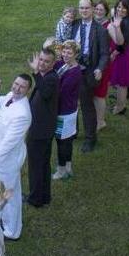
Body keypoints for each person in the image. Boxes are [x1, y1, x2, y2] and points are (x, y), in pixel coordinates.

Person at [0, 72, 32, 240]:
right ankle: (8, 223)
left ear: (28, 91)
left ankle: (12, 231)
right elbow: (1, 104)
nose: (17, 88)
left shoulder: (23, 114)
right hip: (2, 159)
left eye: (22, 87)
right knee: (11, 192)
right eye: (16, 84)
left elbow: (7, 144)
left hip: (7, 162)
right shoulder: (12, 96)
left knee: (7, 196)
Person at [70, 0, 110, 152]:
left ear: (93, 9)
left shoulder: (100, 30)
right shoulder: (74, 25)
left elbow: (105, 54)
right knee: (70, 102)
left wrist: (99, 68)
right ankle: (72, 132)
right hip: (72, 68)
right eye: (81, 8)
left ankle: (90, 138)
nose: (83, 11)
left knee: (86, 105)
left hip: (88, 71)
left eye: (86, 8)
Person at [26, 48, 58, 207]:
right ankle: (44, 196)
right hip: (42, 128)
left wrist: (36, 73)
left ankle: (35, 199)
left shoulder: (51, 78)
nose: (42, 64)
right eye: (41, 60)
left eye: (47, 61)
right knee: (43, 165)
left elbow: (45, 93)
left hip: (40, 130)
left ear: (53, 64)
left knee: (36, 166)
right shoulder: (46, 76)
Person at [51, 40, 83, 180]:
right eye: (64, 51)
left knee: (62, 141)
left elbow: (61, 92)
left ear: (76, 54)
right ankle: (68, 165)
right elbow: (52, 63)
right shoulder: (62, 64)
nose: (65, 55)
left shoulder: (75, 72)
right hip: (67, 110)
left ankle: (61, 169)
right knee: (67, 140)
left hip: (65, 112)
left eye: (69, 52)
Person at [109, 0, 129, 116]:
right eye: (119, 7)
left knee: (121, 83)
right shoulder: (118, 18)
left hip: (122, 54)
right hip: (118, 53)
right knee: (119, 82)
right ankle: (120, 105)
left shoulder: (128, 23)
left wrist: (114, 53)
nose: (120, 10)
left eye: (124, 8)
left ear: (128, 10)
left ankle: (120, 107)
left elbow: (123, 43)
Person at [92, 0, 112, 131]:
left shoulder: (108, 26)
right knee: (93, 93)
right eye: (96, 9)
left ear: (106, 12)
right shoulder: (91, 23)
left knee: (100, 94)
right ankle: (95, 118)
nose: (98, 12)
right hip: (92, 63)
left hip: (103, 64)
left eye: (101, 10)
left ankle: (101, 121)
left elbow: (112, 47)